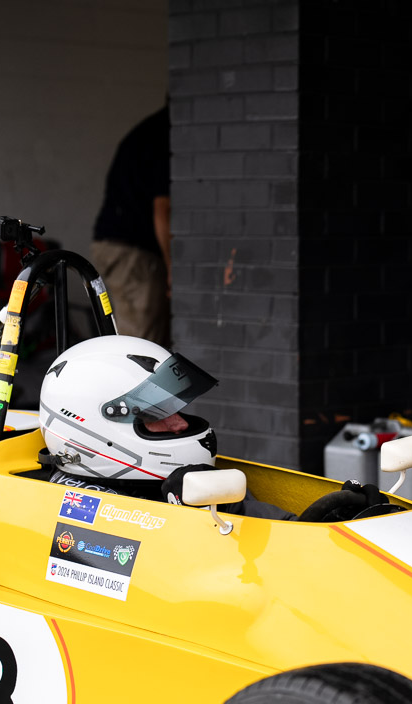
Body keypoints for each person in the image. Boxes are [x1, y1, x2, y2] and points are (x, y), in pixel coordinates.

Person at [38, 335, 293, 519]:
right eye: (154, 414)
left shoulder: (175, 487)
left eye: (173, 408)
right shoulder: (88, 515)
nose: (180, 423)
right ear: (94, 429)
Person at [91, 105, 171, 346]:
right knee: (141, 349)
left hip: (116, 245)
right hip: (133, 254)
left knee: (145, 341)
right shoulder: (165, 134)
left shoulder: (149, 130)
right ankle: (130, 385)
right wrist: (172, 267)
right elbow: (162, 209)